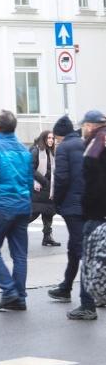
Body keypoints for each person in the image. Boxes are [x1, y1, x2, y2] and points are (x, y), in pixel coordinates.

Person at [0, 110, 32, 312]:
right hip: (22, 204)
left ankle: (9, 291)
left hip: (0, 205)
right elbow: (29, 180)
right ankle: (19, 296)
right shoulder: (24, 150)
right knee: (20, 254)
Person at [47, 115, 95, 316]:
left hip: (73, 207)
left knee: (81, 250)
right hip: (89, 204)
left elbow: (61, 178)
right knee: (75, 247)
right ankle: (66, 286)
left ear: (59, 135)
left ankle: (89, 303)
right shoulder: (87, 143)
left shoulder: (64, 148)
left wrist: (56, 202)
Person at [68, 109, 106, 320]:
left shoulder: (95, 144)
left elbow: (93, 182)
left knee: (89, 258)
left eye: (84, 125)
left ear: (90, 125)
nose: (83, 129)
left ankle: (87, 304)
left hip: (97, 213)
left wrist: (88, 207)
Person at [29, 130, 61, 247]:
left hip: (48, 189)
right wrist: (43, 181)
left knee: (48, 214)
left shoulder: (51, 152)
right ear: (43, 139)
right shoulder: (36, 151)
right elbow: (30, 169)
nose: (51, 140)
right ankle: (14, 228)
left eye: (52, 138)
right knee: (33, 213)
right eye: (48, 138)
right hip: (38, 188)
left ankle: (47, 237)